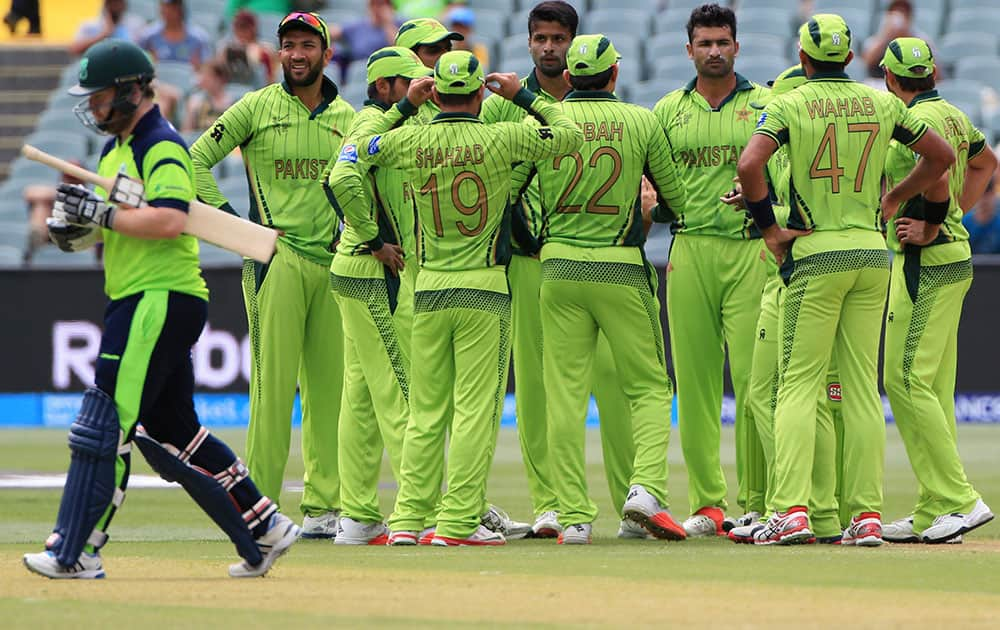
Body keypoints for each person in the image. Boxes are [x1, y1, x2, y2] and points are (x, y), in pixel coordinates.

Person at [22, 39, 299, 580]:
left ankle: (76, 548)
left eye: (101, 97)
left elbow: (170, 218)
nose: (94, 107)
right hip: (141, 293)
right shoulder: (114, 151)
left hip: (159, 297)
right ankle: (264, 525)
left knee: (107, 425)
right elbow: (119, 227)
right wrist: (73, 231)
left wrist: (100, 214)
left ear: (130, 91)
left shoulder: (161, 146)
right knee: (174, 429)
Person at [334, 49, 582, 546]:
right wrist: (521, 94)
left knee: (427, 411)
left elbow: (346, 165)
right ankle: (458, 522)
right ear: (476, 93)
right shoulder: (501, 135)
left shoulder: (408, 139)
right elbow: (571, 136)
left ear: (436, 93)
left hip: (427, 290)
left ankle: (406, 522)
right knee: (474, 411)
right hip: (483, 291)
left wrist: (404, 105)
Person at [736, 13, 955, 545]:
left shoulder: (788, 103)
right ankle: (867, 516)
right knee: (860, 389)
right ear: (851, 57)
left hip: (815, 256)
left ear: (804, 57)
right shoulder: (882, 102)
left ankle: (790, 510)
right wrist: (897, 198)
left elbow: (749, 166)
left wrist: (769, 228)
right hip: (870, 253)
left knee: (798, 385)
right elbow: (944, 158)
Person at [512, 33, 688, 544]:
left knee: (563, 395)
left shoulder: (541, 121)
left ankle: (573, 517)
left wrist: (541, 240)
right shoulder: (641, 120)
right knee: (650, 387)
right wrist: (651, 212)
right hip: (621, 268)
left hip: (559, 267)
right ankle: (644, 489)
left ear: (568, 78)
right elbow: (676, 201)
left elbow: (511, 194)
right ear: (614, 76)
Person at [480, 0, 645, 540]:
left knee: (615, 383)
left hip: (588, 260)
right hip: (530, 264)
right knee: (535, 386)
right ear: (529, 43)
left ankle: (629, 503)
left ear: (574, 47)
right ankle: (551, 503)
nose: (548, 47)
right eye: (540, 38)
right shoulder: (504, 106)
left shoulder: (605, 106)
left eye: (557, 39)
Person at [190, 11, 353, 540]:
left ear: (326, 53)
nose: (298, 54)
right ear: (279, 53)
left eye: (308, 44)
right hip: (273, 263)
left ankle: (324, 505)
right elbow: (195, 160)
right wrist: (236, 226)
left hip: (332, 266)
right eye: (289, 45)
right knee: (272, 390)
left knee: (329, 391)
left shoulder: (348, 117)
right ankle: (258, 506)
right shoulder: (256, 107)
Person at [651, 3, 770, 537]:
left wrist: (761, 199)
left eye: (723, 42)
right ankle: (708, 504)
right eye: (705, 43)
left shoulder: (766, 104)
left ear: (737, 47)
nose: (715, 51)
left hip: (749, 250)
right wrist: (649, 200)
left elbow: (786, 175)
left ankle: (758, 501)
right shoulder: (667, 111)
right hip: (689, 249)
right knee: (694, 384)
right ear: (690, 49)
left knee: (752, 380)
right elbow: (644, 181)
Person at [879, 37, 996, 544]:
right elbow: (986, 164)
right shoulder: (953, 113)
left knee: (903, 378)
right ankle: (933, 509)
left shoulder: (908, 125)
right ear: (934, 74)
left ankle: (959, 499)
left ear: (889, 78)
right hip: (954, 258)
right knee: (933, 387)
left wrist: (929, 222)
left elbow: (937, 176)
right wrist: (955, 218)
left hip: (924, 261)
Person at [725, 65, 846, 546]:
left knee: (804, 395)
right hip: (783, 275)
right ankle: (792, 505)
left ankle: (805, 508)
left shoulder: (803, 137)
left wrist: (763, 213)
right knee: (762, 393)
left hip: (804, 273)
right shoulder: (783, 144)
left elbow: (808, 216)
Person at [324, 46, 431, 545]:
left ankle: (359, 515)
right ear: (384, 85)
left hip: (355, 272)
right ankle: (421, 513)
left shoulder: (380, 123)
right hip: (371, 272)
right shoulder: (375, 124)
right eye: (408, 83)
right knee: (400, 394)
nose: (419, 89)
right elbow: (339, 177)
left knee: (362, 398)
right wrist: (374, 240)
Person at [330, 0, 401, 81]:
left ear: (390, 7)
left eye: (381, 5)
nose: (377, 9)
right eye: (373, 5)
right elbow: (332, 32)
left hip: (390, 73)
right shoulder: (358, 25)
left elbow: (401, 50)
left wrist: (387, 24)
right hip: (360, 74)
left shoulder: (400, 24)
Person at [861, 0, 934, 79]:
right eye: (894, 12)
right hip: (878, 84)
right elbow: (864, 65)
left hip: (910, 86)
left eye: (903, 12)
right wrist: (886, 37)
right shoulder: (876, 39)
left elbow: (936, 76)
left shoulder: (922, 41)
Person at [138, 0, 213, 69]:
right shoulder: (148, 36)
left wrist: (198, 67)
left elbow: (205, 69)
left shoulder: (199, 38)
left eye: (173, 6)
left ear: (181, 8)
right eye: (165, 6)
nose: (168, 10)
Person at [220, 9, 278, 87]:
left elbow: (272, 79)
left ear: (253, 28)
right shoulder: (226, 47)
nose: (241, 32)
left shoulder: (267, 48)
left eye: (244, 27)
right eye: (238, 27)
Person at [69, 0, 145, 55]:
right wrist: (104, 35)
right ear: (106, 4)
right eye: (112, 2)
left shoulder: (136, 23)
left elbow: (145, 50)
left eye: (118, 2)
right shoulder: (90, 25)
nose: (115, 5)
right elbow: (74, 49)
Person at [181, 59, 236, 133]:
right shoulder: (196, 101)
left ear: (221, 79)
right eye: (203, 75)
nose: (204, 79)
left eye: (209, 76)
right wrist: (192, 112)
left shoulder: (234, 103)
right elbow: (186, 133)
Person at [963, 171, 1000, 254]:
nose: (984, 199)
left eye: (988, 193)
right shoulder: (964, 223)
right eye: (981, 194)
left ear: (994, 193)